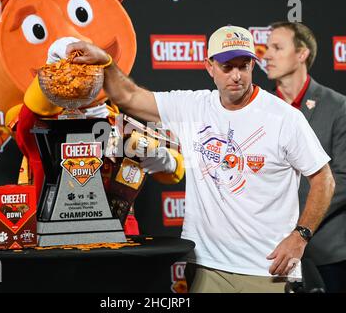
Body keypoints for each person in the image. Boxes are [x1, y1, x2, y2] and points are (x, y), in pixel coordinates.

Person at [64, 25, 335, 293]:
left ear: (253, 65)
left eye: (244, 65)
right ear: (210, 67)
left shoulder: (284, 118)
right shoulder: (193, 107)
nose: (237, 76)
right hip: (207, 266)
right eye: (227, 67)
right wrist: (106, 62)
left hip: (265, 269)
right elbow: (129, 96)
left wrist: (301, 236)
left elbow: (324, 179)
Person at [264, 21, 346, 293]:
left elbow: (342, 177)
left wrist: (299, 222)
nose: (267, 55)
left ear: (301, 55)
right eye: (267, 47)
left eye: (277, 47)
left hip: (324, 252)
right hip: (267, 251)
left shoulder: (337, 106)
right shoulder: (260, 108)